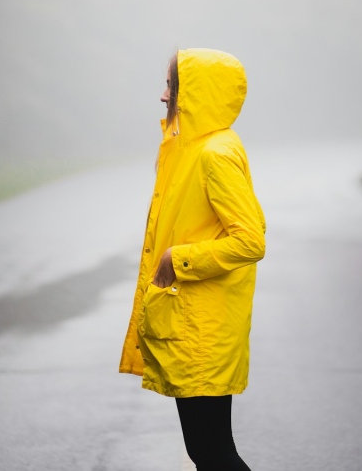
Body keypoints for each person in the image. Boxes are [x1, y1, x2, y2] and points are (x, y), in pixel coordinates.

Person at [119, 48, 266, 471]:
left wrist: (178, 260)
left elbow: (250, 240)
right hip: (192, 323)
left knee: (212, 452)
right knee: (207, 452)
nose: (164, 96)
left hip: (204, 329)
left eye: (172, 85)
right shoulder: (187, 148)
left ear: (196, 93)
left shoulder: (213, 155)